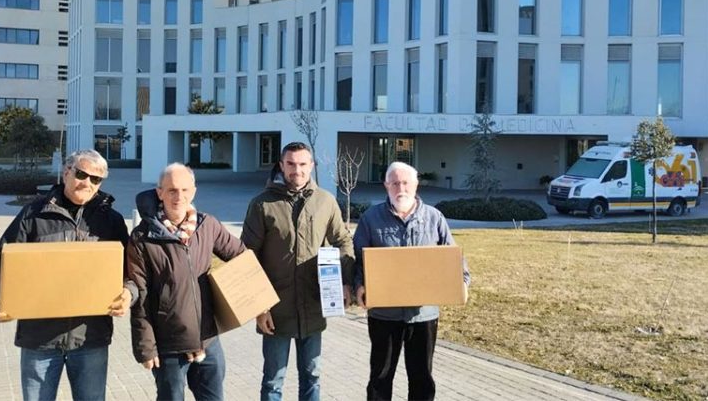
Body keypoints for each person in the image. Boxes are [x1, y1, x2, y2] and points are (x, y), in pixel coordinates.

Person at [0, 149, 134, 401]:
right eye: (82, 174)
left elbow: (131, 269)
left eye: (96, 179)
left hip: (90, 338)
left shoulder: (111, 220)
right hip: (39, 339)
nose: (87, 183)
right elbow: (0, 257)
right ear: (66, 172)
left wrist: (130, 293)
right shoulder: (33, 213)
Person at [242, 142, 355, 401]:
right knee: (273, 381)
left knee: (312, 377)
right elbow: (247, 258)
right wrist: (259, 307)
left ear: (312, 166)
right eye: (291, 164)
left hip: (314, 307)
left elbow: (344, 241)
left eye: (303, 164)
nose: (297, 170)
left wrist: (345, 282)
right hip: (275, 311)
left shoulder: (325, 201)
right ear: (281, 165)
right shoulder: (262, 204)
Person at [127, 163, 246, 401]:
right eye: (171, 190)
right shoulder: (142, 238)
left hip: (208, 340)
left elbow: (242, 257)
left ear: (194, 191)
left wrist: (251, 300)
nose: (178, 197)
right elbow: (140, 296)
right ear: (159, 192)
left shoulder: (207, 225)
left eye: (184, 190)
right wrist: (146, 348)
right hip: (168, 346)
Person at [353, 161, 471, 401]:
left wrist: (463, 284)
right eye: (395, 183)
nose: (401, 188)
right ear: (386, 186)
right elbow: (358, 261)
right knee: (380, 377)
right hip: (384, 315)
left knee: (422, 378)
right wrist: (359, 286)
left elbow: (454, 260)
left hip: (424, 315)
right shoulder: (370, 218)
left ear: (416, 185)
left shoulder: (434, 218)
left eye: (406, 182)